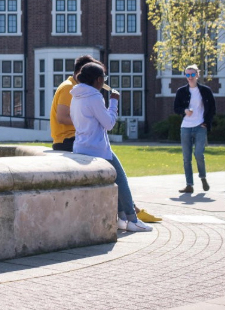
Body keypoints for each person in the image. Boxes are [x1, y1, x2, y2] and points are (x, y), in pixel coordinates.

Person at [51, 55, 161, 223]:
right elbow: (63, 117)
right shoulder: (72, 89)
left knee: (113, 174)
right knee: (118, 174)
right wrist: (93, 118)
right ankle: (131, 215)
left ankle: (125, 214)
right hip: (69, 140)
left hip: (77, 141)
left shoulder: (77, 90)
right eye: (102, 77)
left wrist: (88, 119)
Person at [70, 62, 153, 233]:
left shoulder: (75, 95)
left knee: (116, 181)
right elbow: (108, 124)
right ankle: (132, 220)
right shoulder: (94, 96)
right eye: (104, 78)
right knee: (122, 182)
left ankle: (122, 219)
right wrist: (114, 103)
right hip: (98, 149)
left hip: (80, 146)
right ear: (99, 80)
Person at [173, 64, 215, 194]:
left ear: (197, 75)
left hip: (200, 126)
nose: (190, 77)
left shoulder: (205, 91)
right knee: (186, 158)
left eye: (192, 74)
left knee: (198, 154)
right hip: (186, 127)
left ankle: (203, 178)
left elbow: (212, 109)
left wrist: (206, 123)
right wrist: (184, 111)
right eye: (187, 75)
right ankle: (189, 185)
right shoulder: (181, 91)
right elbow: (176, 108)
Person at [50, 55, 97, 151]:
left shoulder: (76, 87)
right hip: (67, 140)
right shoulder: (69, 87)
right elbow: (61, 118)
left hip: (72, 138)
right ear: (80, 72)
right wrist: (88, 121)